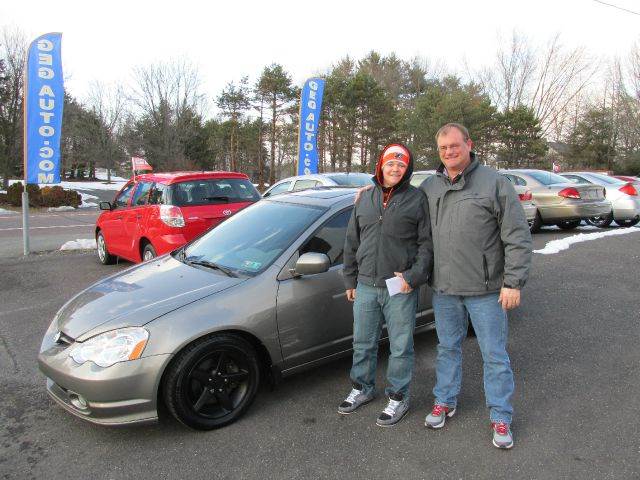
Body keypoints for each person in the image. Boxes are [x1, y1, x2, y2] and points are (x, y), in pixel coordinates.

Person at [420, 123, 532, 449]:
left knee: (494, 355)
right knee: (447, 349)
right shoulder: (430, 186)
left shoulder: (494, 182)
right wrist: (370, 190)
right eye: (443, 148)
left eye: (455, 146)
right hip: (444, 289)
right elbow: (402, 209)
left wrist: (513, 282)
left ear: (468, 144)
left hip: (486, 291)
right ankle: (445, 400)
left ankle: (500, 416)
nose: (449, 152)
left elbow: (517, 236)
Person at [339, 143, 433, 427]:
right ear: (380, 165)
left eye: (401, 165)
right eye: (390, 163)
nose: (395, 169)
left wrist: (413, 277)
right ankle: (362, 389)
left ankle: (398, 396)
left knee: (401, 346)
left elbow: (426, 245)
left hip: (399, 286)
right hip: (366, 284)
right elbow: (351, 241)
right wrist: (350, 277)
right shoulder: (365, 198)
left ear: (408, 169)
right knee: (363, 343)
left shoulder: (417, 199)